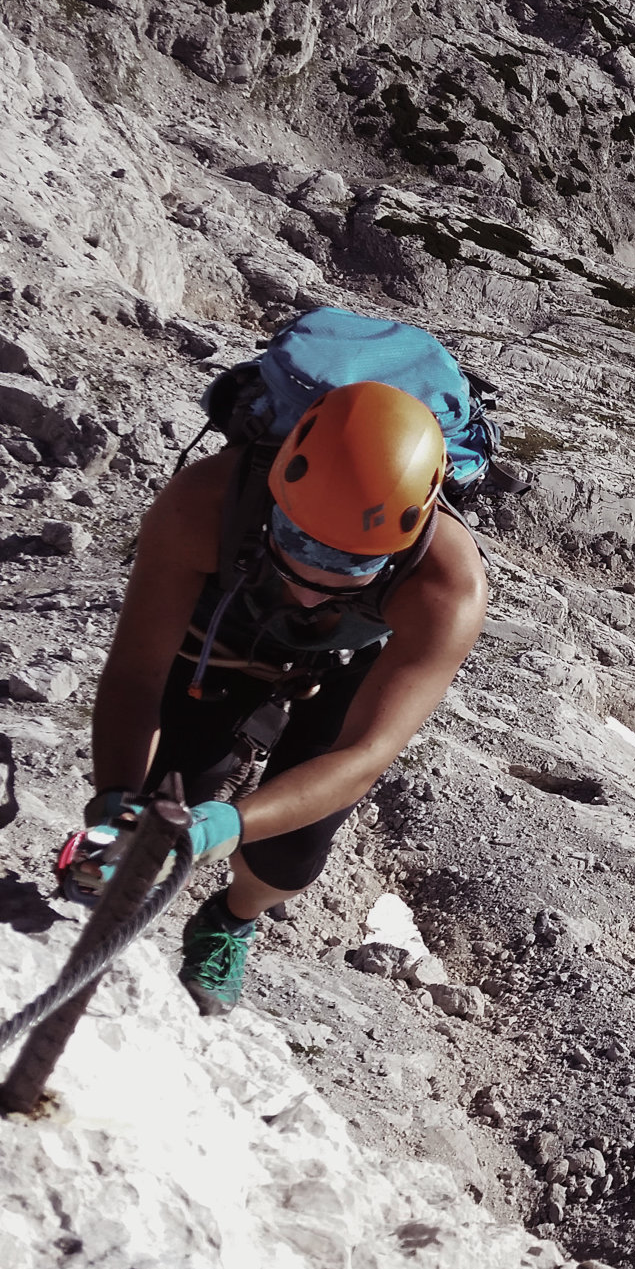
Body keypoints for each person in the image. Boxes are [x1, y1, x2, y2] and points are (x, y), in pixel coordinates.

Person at [73, 380, 488, 1014]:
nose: (314, 589)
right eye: (300, 547)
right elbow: (137, 674)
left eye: (352, 565)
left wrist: (233, 825)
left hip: (349, 658)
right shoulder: (207, 502)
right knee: (168, 793)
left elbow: (366, 751)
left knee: (287, 852)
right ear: (274, 498)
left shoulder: (447, 585)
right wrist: (113, 806)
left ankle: (232, 918)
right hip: (229, 623)